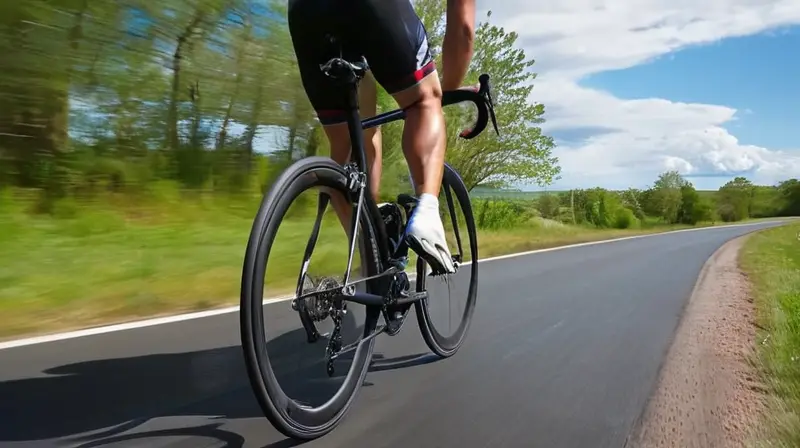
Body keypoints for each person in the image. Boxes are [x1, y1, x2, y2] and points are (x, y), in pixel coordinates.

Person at [287, 0, 476, 275]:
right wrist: (440, 96)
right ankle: (426, 215)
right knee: (423, 101)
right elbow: (464, 30)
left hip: (305, 11)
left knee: (348, 140)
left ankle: (370, 250)